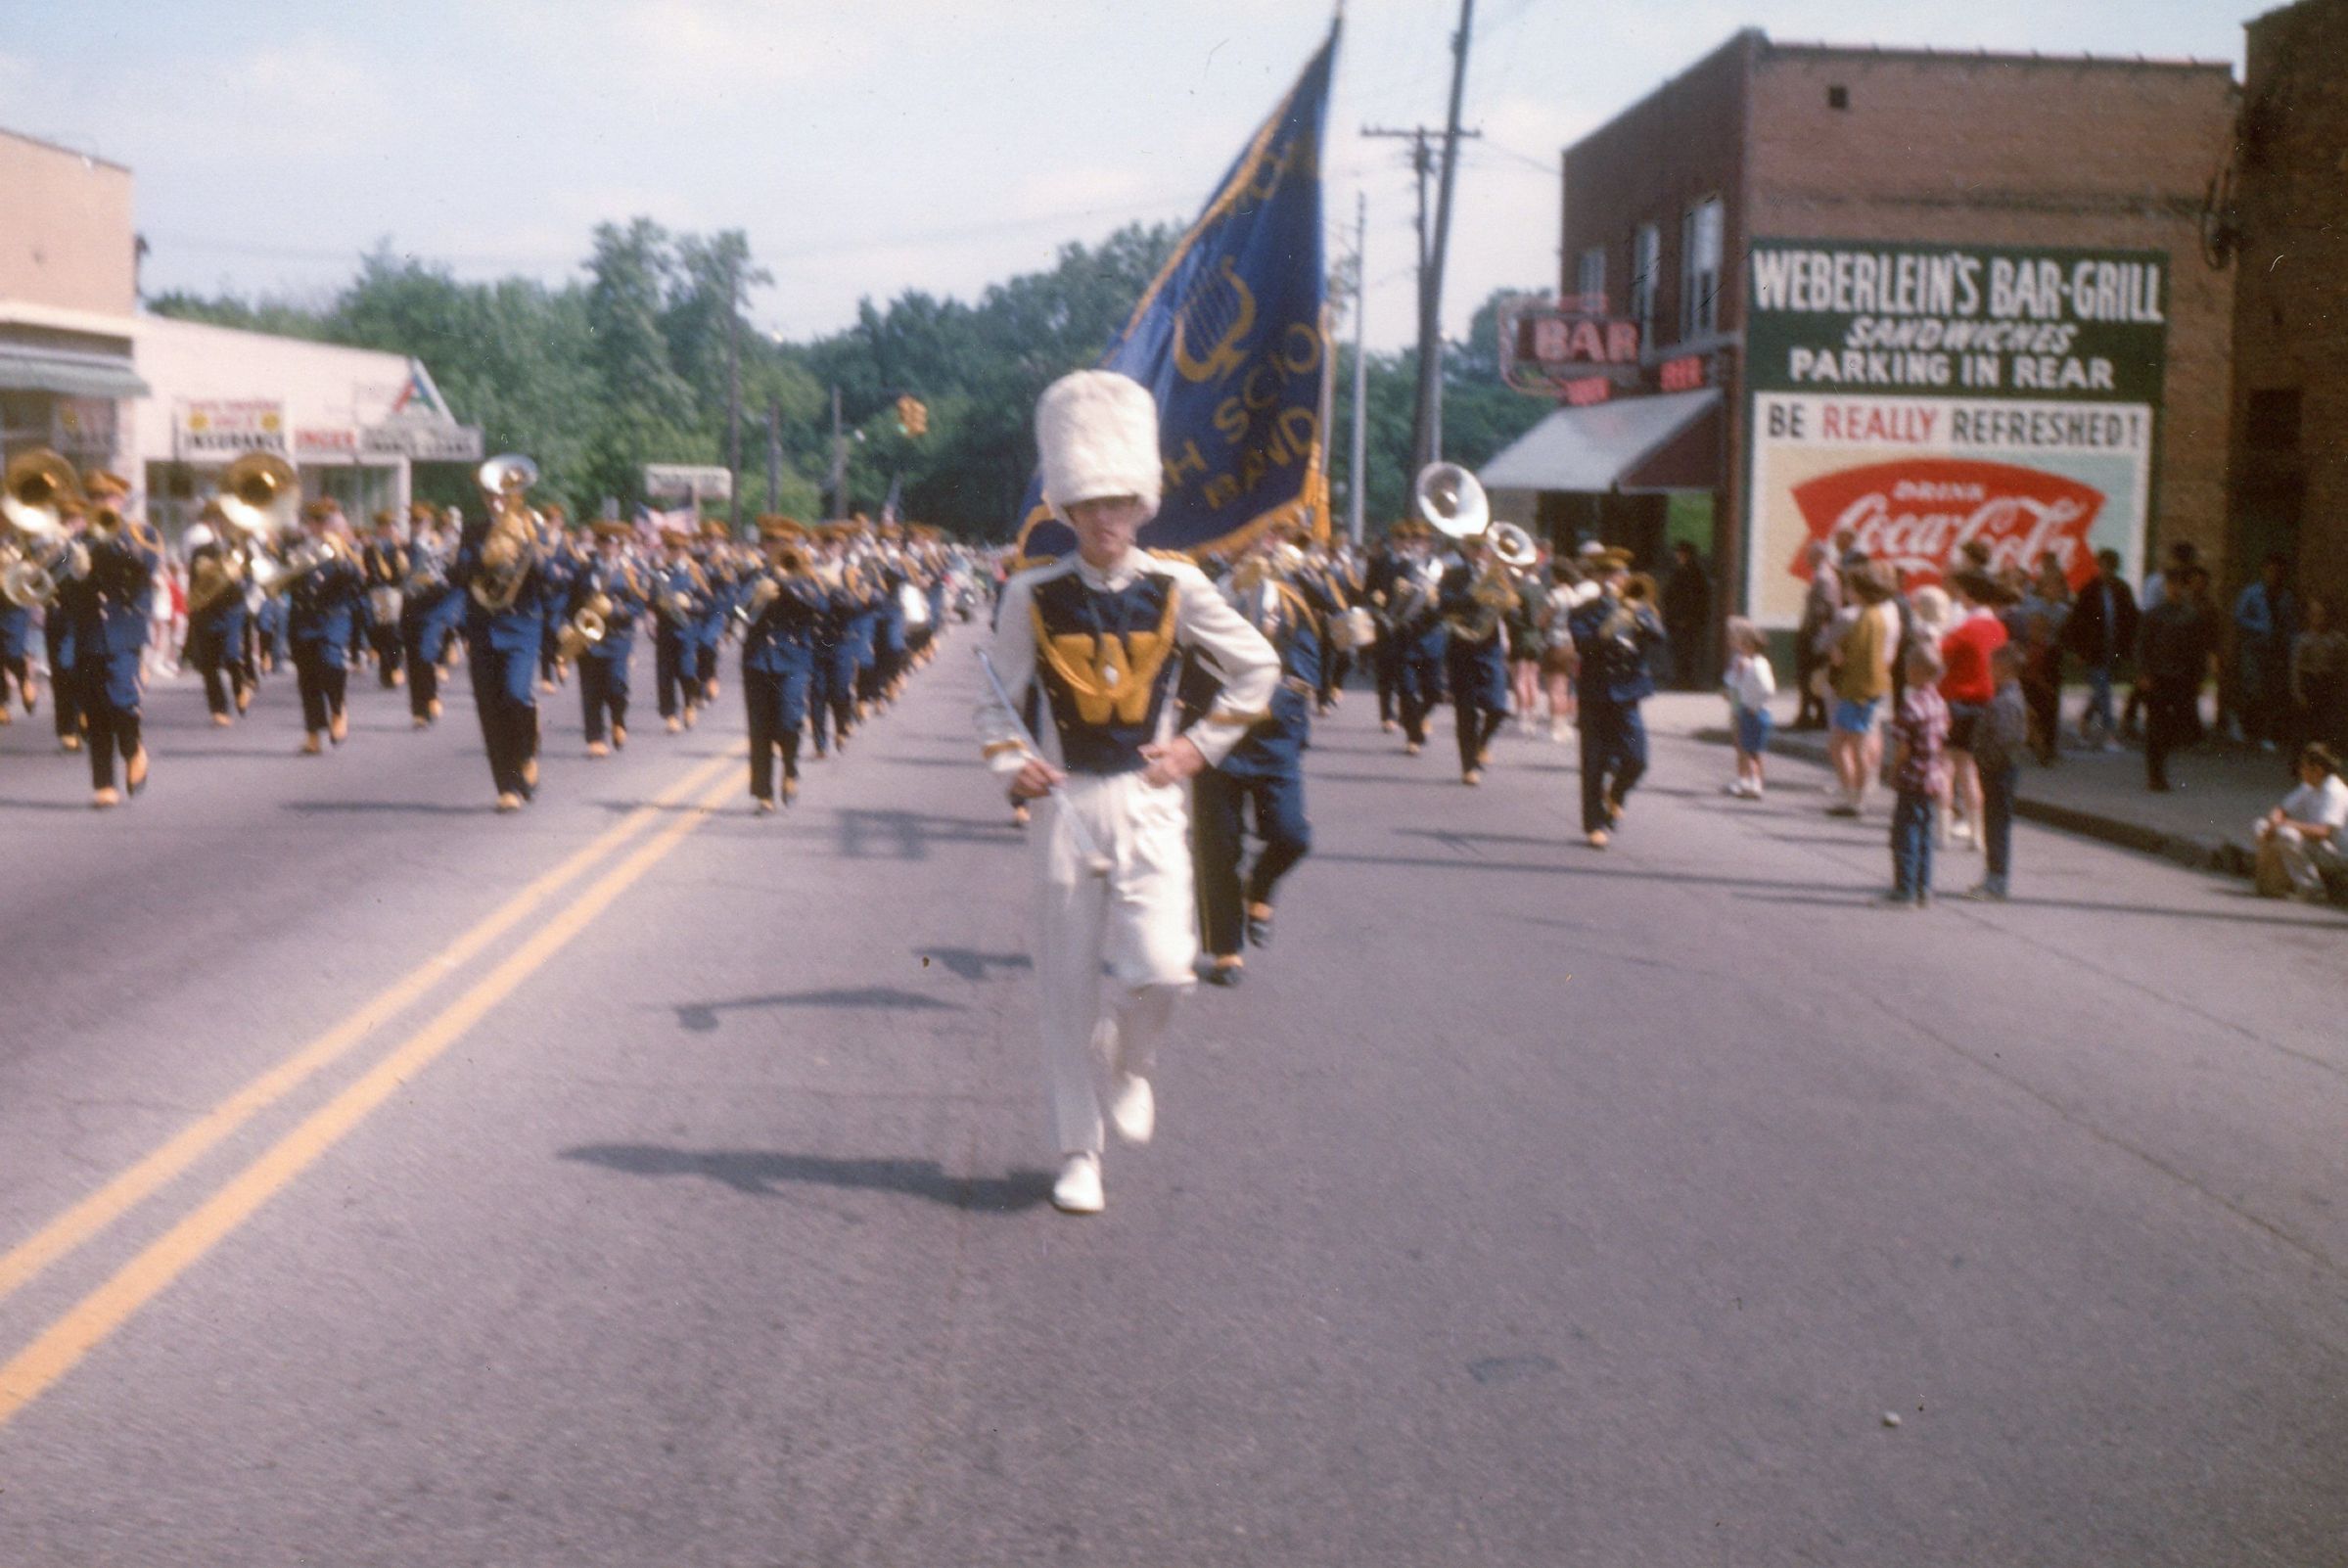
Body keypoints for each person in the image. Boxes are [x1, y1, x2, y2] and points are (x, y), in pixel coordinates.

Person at [975, 369, 1278, 1217]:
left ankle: (1131, 1060)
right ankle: (1078, 1152)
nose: (1104, 520)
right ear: (1067, 511)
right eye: (1088, 506)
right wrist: (1012, 762)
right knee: (1066, 988)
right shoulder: (1030, 596)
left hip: (1148, 800)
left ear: (1142, 506)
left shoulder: (1180, 587)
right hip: (1066, 805)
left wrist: (1196, 746)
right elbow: (994, 699)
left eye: (1118, 504)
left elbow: (1256, 667)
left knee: (1166, 970)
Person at [1191, 526, 1317, 988]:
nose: (1250, 544)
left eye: (1259, 537)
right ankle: (1226, 949)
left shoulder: (1290, 598)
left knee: (1292, 835)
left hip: (1272, 738)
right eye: (1240, 535)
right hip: (1213, 739)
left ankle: (1259, 887)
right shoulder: (1200, 591)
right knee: (1219, 848)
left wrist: (1253, 704)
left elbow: (1304, 672)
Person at [451, 478, 552, 812]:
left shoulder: (532, 527)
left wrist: (531, 550)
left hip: (521, 625)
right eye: (490, 495)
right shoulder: (474, 531)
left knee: (516, 694)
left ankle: (527, 753)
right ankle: (507, 787)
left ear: (515, 497)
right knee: (490, 708)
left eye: (502, 496)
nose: (496, 502)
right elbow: (459, 573)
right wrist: (487, 558)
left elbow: (550, 577)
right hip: (483, 627)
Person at [63, 472, 162, 807]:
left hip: (124, 629)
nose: (102, 503)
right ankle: (104, 784)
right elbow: (57, 582)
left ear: (121, 500)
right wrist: (72, 568)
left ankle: (133, 750)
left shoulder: (141, 533)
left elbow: (148, 565)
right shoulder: (78, 540)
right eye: (95, 498)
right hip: (89, 631)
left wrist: (118, 539)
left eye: (108, 497)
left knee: (122, 700)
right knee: (95, 710)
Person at [1568, 549, 1664, 848]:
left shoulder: (1640, 607)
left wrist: (1638, 614)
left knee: (1637, 759)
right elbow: (1584, 646)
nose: (1615, 579)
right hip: (1595, 693)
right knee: (1594, 762)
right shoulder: (1583, 612)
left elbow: (1659, 637)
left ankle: (1617, 794)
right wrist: (1610, 625)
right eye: (1607, 574)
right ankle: (1595, 825)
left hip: (1628, 693)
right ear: (1597, 578)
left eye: (1619, 574)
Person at [740, 520, 826, 811]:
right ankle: (763, 794)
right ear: (764, 545)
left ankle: (790, 769)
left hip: (793, 660)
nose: (776, 547)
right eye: (770, 541)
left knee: (790, 722)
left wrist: (786, 583)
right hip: (758, 660)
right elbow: (737, 611)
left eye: (782, 542)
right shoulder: (754, 575)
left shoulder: (806, 575)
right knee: (760, 728)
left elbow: (820, 606)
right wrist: (757, 597)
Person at [284, 500, 365, 756]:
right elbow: (282, 577)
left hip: (334, 615)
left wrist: (341, 558)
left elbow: (359, 578)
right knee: (307, 676)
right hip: (303, 616)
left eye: (323, 521)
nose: (318, 526)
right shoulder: (298, 547)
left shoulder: (347, 546)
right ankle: (313, 734)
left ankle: (338, 709)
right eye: (314, 520)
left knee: (331, 662)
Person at [1938, 570, 2009, 851]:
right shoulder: (1999, 629)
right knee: (1969, 770)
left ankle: (1942, 833)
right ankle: (1977, 834)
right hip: (1985, 704)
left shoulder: (1964, 629)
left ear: (1969, 595)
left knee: (1945, 768)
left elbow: (1937, 656)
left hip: (1956, 701)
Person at [1437, 530, 1512, 785]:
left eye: (1485, 548)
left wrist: (1511, 605)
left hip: (1491, 648)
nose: (1481, 553)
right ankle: (1468, 766)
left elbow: (1511, 610)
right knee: (1466, 710)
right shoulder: (1454, 574)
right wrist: (1471, 597)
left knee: (1498, 707)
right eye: (1476, 548)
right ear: (1466, 550)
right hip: (1463, 646)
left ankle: (1481, 744)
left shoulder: (1499, 576)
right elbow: (1444, 604)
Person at [1825, 561, 1899, 815]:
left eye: (1850, 587)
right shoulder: (1875, 616)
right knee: (1850, 745)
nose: (1847, 591)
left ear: (1861, 591)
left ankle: (1855, 797)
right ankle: (1854, 796)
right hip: (1865, 689)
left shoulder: (1868, 618)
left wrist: (1839, 655)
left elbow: (1862, 658)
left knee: (1847, 746)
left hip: (1859, 690)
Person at [573, 519, 647, 757]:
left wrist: (615, 611)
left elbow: (639, 604)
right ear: (597, 543)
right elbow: (572, 601)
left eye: (612, 542)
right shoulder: (585, 569)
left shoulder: (631, 571)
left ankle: (617, 719)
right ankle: (595, 738)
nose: (607, 546)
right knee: (591, 688)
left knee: (617, 684)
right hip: (589, 637)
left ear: (619, 545)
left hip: (617, 636)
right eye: (603, 541)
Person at [2140, 564, 2217, 793]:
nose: (2174, 589)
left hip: (2181, 677)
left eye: (2178, 585)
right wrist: (2144, 672)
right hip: (2158, 676)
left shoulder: (2191, 616)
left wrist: (2199, 678)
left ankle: (2162, 763)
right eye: (2170, 585)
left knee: (2178, 724)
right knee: (2156, 726)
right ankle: (2156, 775)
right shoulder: (2154, 615)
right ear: (2165, 587)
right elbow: (2143, 645)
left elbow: (2198, 649)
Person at [1884, 641, 1950, 908]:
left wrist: (1893, 770)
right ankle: (1924, 888)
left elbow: (1903, 748)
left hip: (1912, 775)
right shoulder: (1939, 703)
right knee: (1924, 833)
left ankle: (1905, 890)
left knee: (1905, 832)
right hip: (1933, 775)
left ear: (1915, 670)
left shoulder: (1911, 705)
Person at [1964, 645, 2030, 901]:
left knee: (1996, 827)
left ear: (2004, 668)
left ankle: (1997, 882)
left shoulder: (2006, 701)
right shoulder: (2006, 696)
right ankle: (1993, 876)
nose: (1989, 670)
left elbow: (2003, 742)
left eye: (1992, 666)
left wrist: (1984, 762)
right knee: (1993, 825)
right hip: (1998, 770)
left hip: (1999, 772)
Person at [181, 508, 253, 725]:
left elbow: (251, 579)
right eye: (220, 521)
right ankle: (218, 709)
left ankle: (240, 686)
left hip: (232, 608)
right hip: (207, 609)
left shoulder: (241, 550)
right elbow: (194, 582)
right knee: (209, 664)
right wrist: (193, 608)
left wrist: (239, 579)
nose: (224, 525)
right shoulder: (201, 551)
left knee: (232, 654)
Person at [2062, 548, 2139, 750]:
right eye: (2103, 566)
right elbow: (2077, 622)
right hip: (2094, 650)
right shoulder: (2089, 590)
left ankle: (2082, 723)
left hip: (2114, 648)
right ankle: (2109, 734)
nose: (2106, 570)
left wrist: (2129, 647)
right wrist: (2078, 650)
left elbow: (2131, 619)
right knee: (2103, 689)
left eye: (2110, 567)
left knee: (2100, 690)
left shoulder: (2122, 589)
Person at [2251, 743, 2347, 901]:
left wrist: (2284, 824)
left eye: (2304, 767)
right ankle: (2273, 883)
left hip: (2338, 853)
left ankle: (2312, 888)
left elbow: (2323, 832)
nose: (2301, 771)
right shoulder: (2309, 787)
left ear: (2318, 770)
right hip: (2320, 848)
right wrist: (2273, 823)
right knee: (2261, 826)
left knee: (2286, 834)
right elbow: (2282, 809)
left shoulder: (2334, 791)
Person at [2233, 554, 2296, 752]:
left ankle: (2267, 734)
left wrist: (2289, 644)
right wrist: (2260, 627)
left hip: (2276, 651)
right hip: (2254, 649)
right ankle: (2246, 728)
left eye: (2278, 571)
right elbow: (2239, 617)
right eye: (2270, 571)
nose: (2274, 575)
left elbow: (2290, 624)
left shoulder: (2286, 597)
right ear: (2264, 571)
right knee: (2253, 689)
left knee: (2272, 692)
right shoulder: (2251, 593)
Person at [1722, 616, 1773, 800]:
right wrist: (1729, 687)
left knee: (1751, 749)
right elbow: (1731, 679)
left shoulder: (1758, 663)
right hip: (1740, 706)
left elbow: (1767, 689)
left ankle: (1754, 783)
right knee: (1740, 744)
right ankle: (1743, 780)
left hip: (1753, 710)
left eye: (1734, 637)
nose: (1731, 641)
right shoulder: (1738, 659)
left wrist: (1755, 706)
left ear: (1747, 641)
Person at [2288, 595, 2346, 761]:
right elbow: (2295, 669)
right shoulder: (2304, 640)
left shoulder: (2336, 639)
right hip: (2310, 684)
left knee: (2327, 726)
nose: (2319, 619)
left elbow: (2343, 664)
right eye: (2314, 614)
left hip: (2328, 685)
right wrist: (2298, 692)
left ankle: (2325, 760)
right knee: (2307, 727)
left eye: (2322, 615)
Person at [1793, 539, 1842, 730]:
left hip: (1816, 635)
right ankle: (1815, 714)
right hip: (1817, 633)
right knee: (1814, 676)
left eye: (1810, 555)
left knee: (1811, 676)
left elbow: (1822, 610)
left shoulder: (1823, 577)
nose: (1806, 558)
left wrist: (1811, 633)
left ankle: (1813, 715)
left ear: (1819, 556)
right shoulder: (1823, 576)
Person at [1537, 556, 1586, 741]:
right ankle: (1565, 727)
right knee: (1564, 687)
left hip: (1554, 644)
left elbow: (1542, 621)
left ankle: (1555, 728)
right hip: (1570, 645)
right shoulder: (1576, 596)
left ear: (1556, 576)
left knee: (1553, 688)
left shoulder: (1554, 596)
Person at [1662, 539, 1711, 690]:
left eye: (1679, 552)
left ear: (1686, 554)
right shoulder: (1683, 570)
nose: (1677, 555)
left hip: (1686, 620)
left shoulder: (1691, 573)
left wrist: (1685, 618)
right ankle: (1681, 679)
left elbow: (1691, 599)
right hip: (1679, 619)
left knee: (1686, 652)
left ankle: (1686, 680)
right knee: (1680, 651)